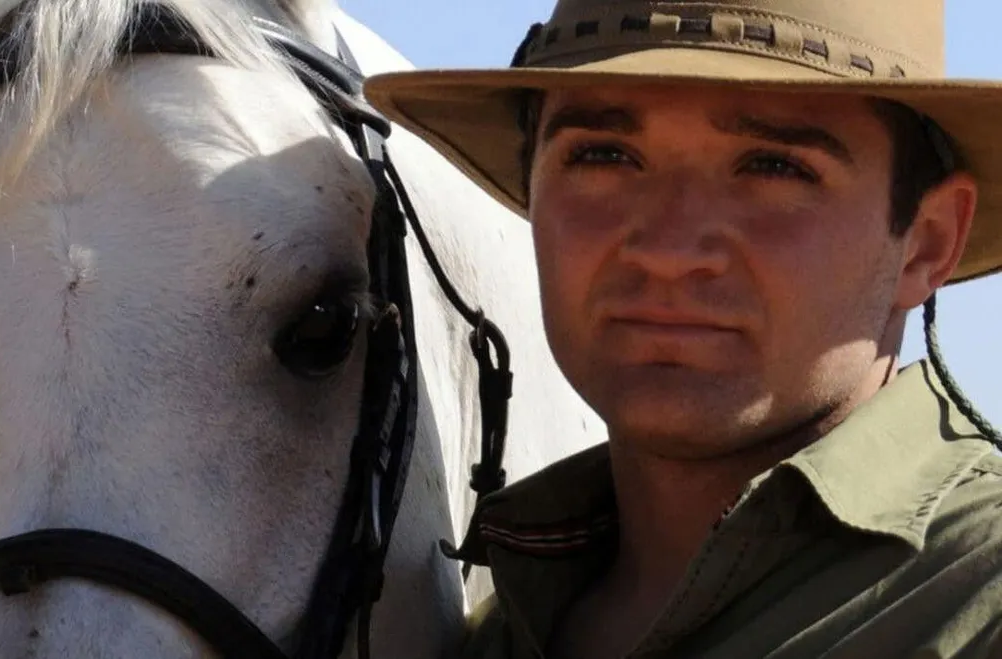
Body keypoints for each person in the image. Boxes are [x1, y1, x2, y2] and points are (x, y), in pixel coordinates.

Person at [363, 0, 1002, 657]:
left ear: (926, 243)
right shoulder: (483, 632)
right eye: (604, 155)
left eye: (773, 166)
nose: (668, 247)